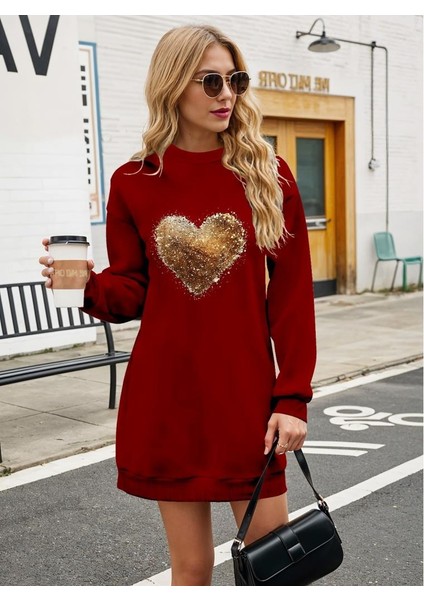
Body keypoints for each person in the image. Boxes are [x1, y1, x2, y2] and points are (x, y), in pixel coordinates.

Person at [39, 24, 316, 586]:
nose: (226, 94)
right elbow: (132, 292)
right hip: (168, 397)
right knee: (190, 569)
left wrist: (293, 397)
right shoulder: (134, 181)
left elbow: (292, 297)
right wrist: (85, 285)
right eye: (210, 80)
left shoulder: (268, 174)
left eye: (235, 80)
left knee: (276, 569)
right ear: (172, 84)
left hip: (245, 397)